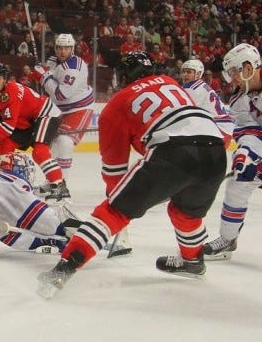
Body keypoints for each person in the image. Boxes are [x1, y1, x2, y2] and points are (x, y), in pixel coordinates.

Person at [37, 51, 226, 297]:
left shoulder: (116, 104)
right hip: (217, 152)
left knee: (112, 211)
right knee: (185, 213)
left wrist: (120, 205)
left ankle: (62, 271)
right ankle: (193, 261)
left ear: (124, 76)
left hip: (173, 150)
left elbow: (114, 171)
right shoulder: (170, 82)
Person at [0, 63, 68, 202]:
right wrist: (0, 117)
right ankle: (9, 183)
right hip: (27, 120)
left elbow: (9, 126)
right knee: (4, 145)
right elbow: (9, 115)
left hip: (46, 114)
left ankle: (59, 186)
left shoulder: (12, 92)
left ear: (5, 79)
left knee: (40, 152)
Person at [203, 43, 262, 260]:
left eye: (234, 73)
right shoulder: (239, 99)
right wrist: (245, 153)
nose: (232, 79)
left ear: (248, 68)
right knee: (239, 182)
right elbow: (249, 129)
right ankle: (228, 239)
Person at [34, 33, 94, 198]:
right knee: (51, 144)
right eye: (60, 47)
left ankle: (62, 185)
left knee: (64, 141)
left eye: (66, 48)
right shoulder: (55, 61)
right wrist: (44, 71)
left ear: (72, 49)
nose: (62, 51)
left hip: (79, 109)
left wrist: (44, 77)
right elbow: (51, 75)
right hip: (60, 111)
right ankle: (52, 181)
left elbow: (61, 95)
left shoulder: (74, 68)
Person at [179, 59, 233, 147]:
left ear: (198, 74)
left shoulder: (191, 89)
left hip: (218, 130)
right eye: (183, 72)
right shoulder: (200, 85)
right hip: (222, 128)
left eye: (189, 72)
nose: (185, 74)